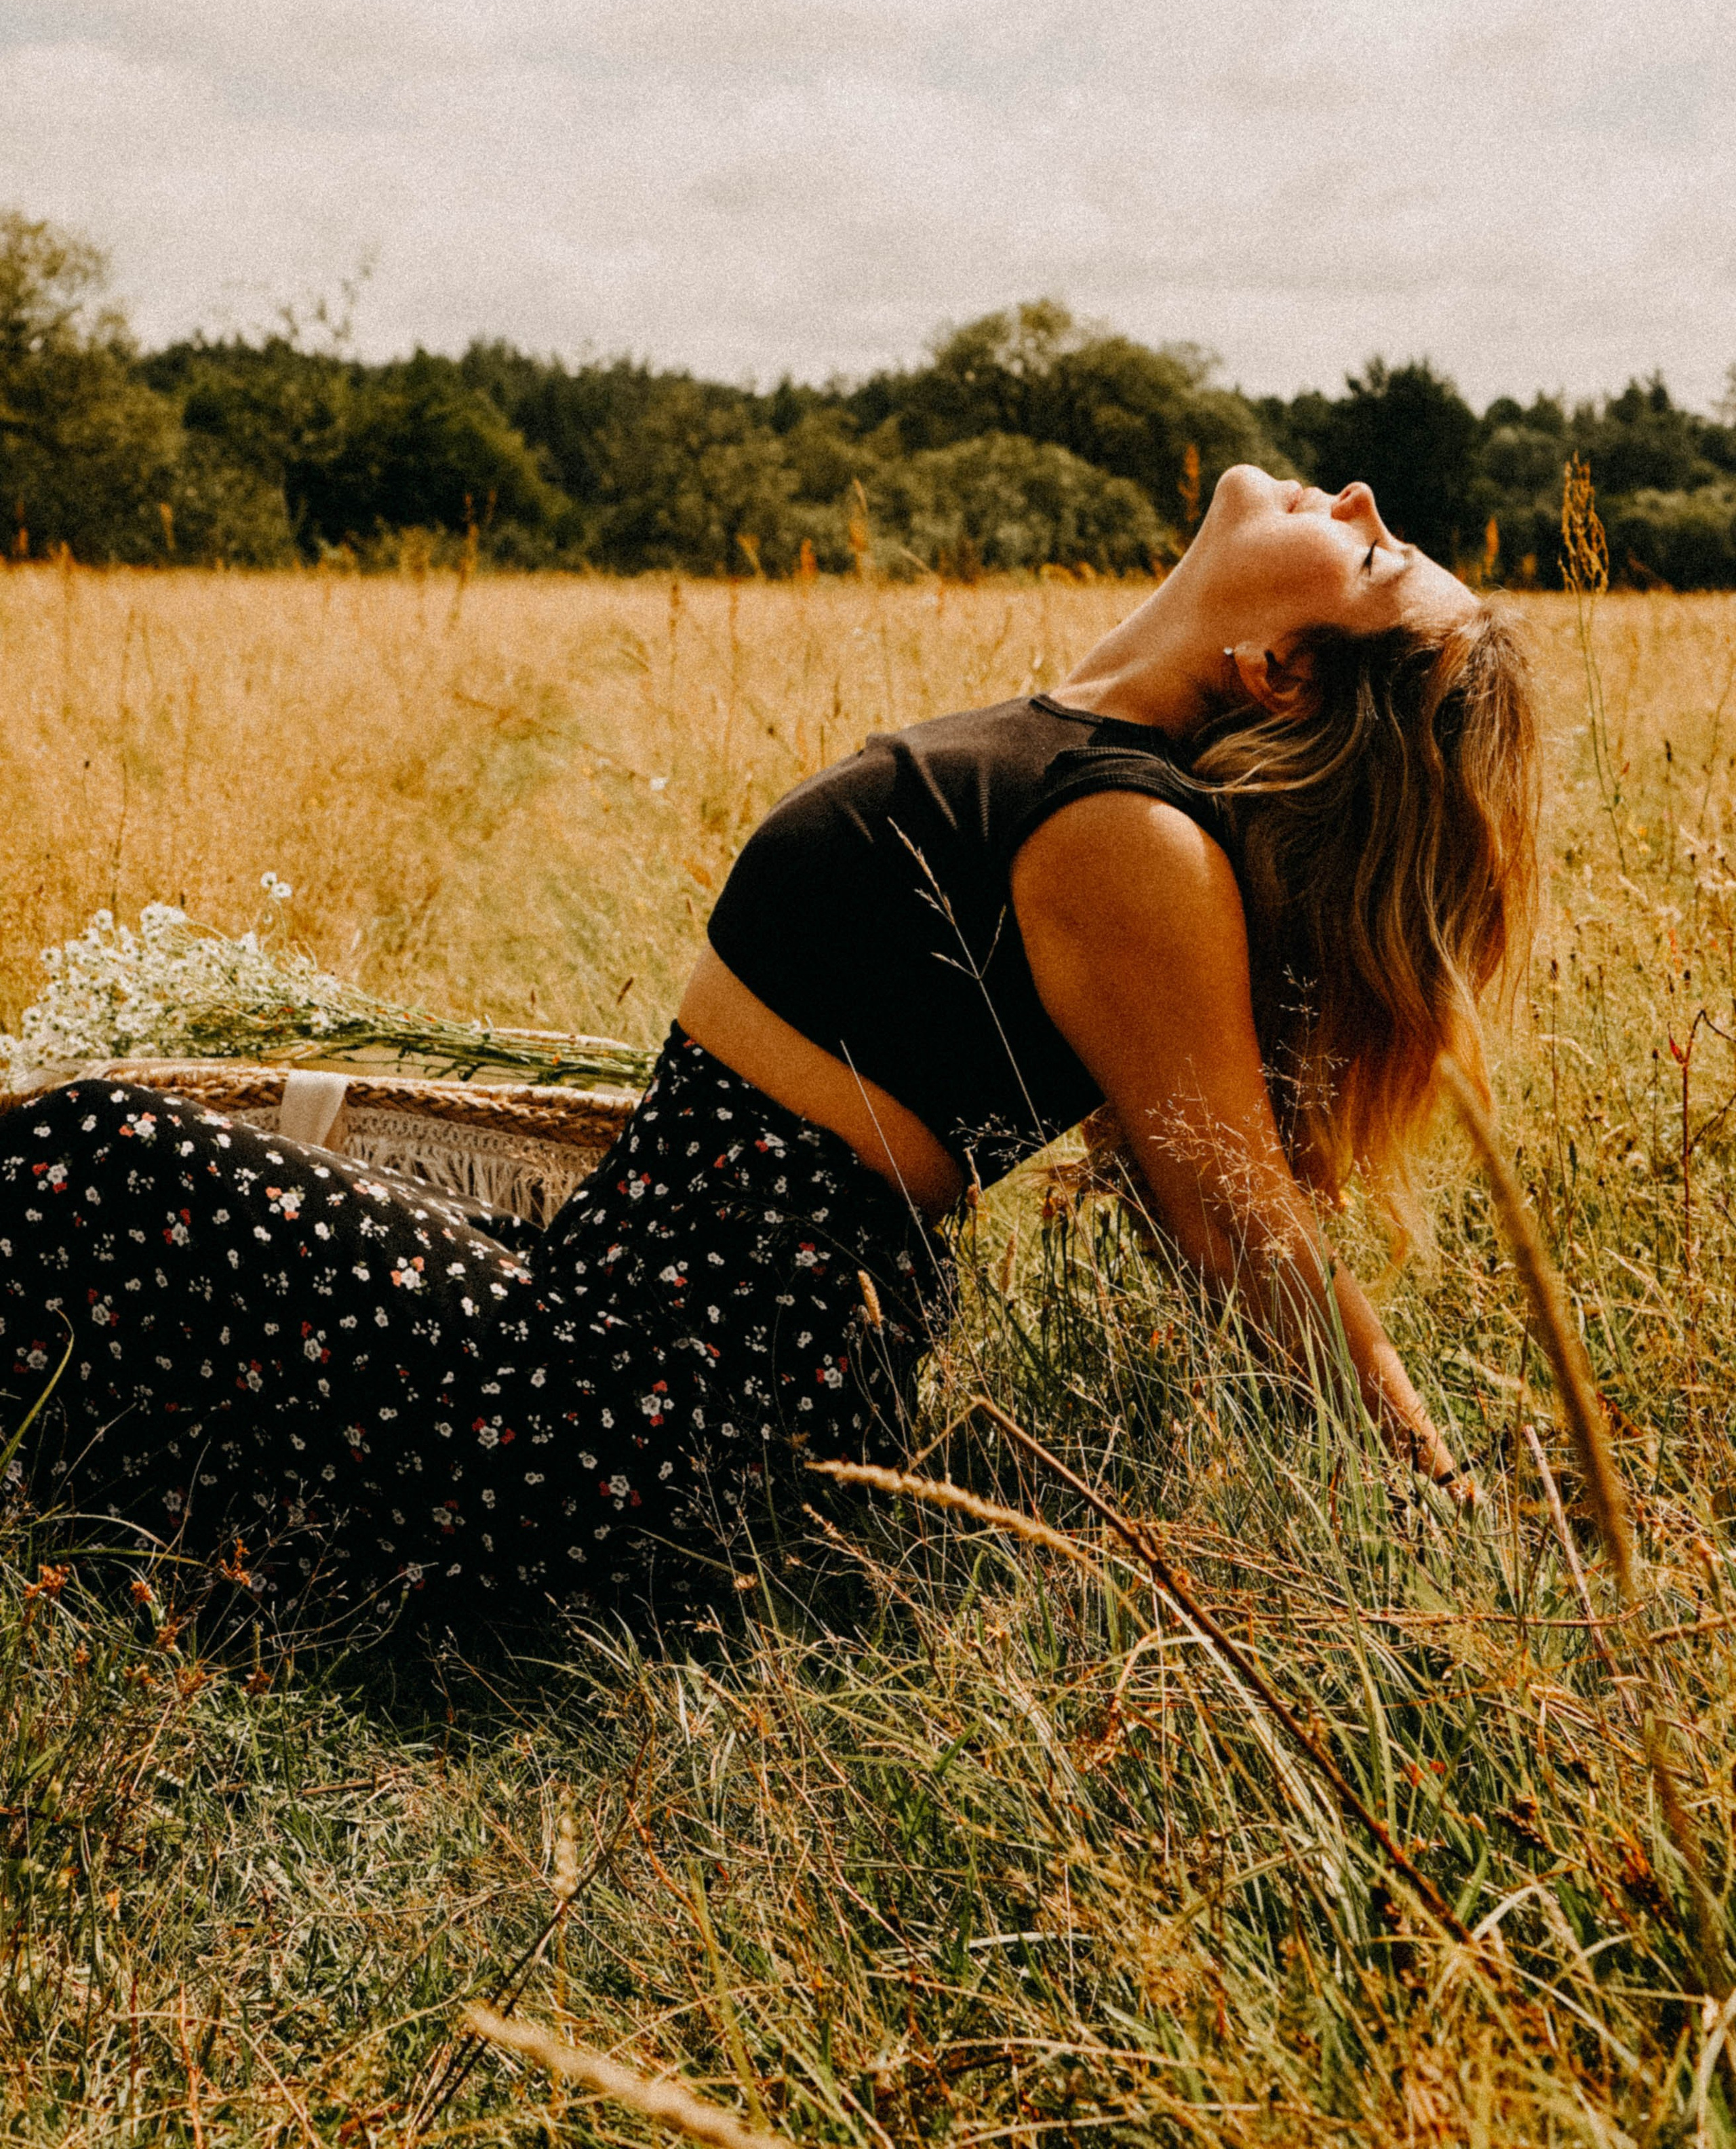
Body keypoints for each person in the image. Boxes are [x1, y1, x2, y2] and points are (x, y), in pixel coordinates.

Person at [0, 467, 1537, 1624]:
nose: (1356, 498)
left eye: (1372, 555)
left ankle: (329, 1568)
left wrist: (1439, 1500)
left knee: (85, 1154)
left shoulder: (1127, 833)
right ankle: (230, 1559)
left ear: (1278, 668)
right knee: (161, 1278)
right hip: (612, 1322)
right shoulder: (1086, 773)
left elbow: (1237, 1220)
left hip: (660, 1412)